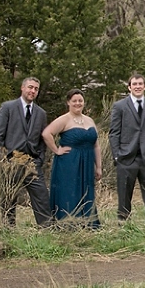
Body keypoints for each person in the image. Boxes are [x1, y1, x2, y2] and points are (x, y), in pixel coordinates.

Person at [0, 77, 52, 227]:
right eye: (30, 87)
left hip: (32, 163)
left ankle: (46, 229)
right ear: (22, 88)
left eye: (36, 89)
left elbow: (42, 140)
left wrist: (40, 159)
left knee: (42, 196)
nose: (33, 91)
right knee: (9, 198)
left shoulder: (41, 113)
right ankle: (8, 229)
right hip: (10, 161)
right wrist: (2, 159)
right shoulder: (8, 107)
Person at [42, 88, 101, 228]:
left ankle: (86, 222)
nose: (77, 103)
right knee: (69, 190)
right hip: (69, 162)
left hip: (87, 163)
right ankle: (67, 223)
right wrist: (57, 150)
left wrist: (98, 166)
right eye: (74, 101)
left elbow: (96, 146)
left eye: (80, 100)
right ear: (68, 102)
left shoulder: (89, 120)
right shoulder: (64, 119)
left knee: (86, 190)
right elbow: (46, 134)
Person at [109, 73, 145, 221]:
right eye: (135, 84)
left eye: (140, 84)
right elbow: (114, 133)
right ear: (129, 87)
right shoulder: (119, 106)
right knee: (124, 194)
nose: (138, 86)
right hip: (126, 158)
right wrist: (117, 156)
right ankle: (123, 224)